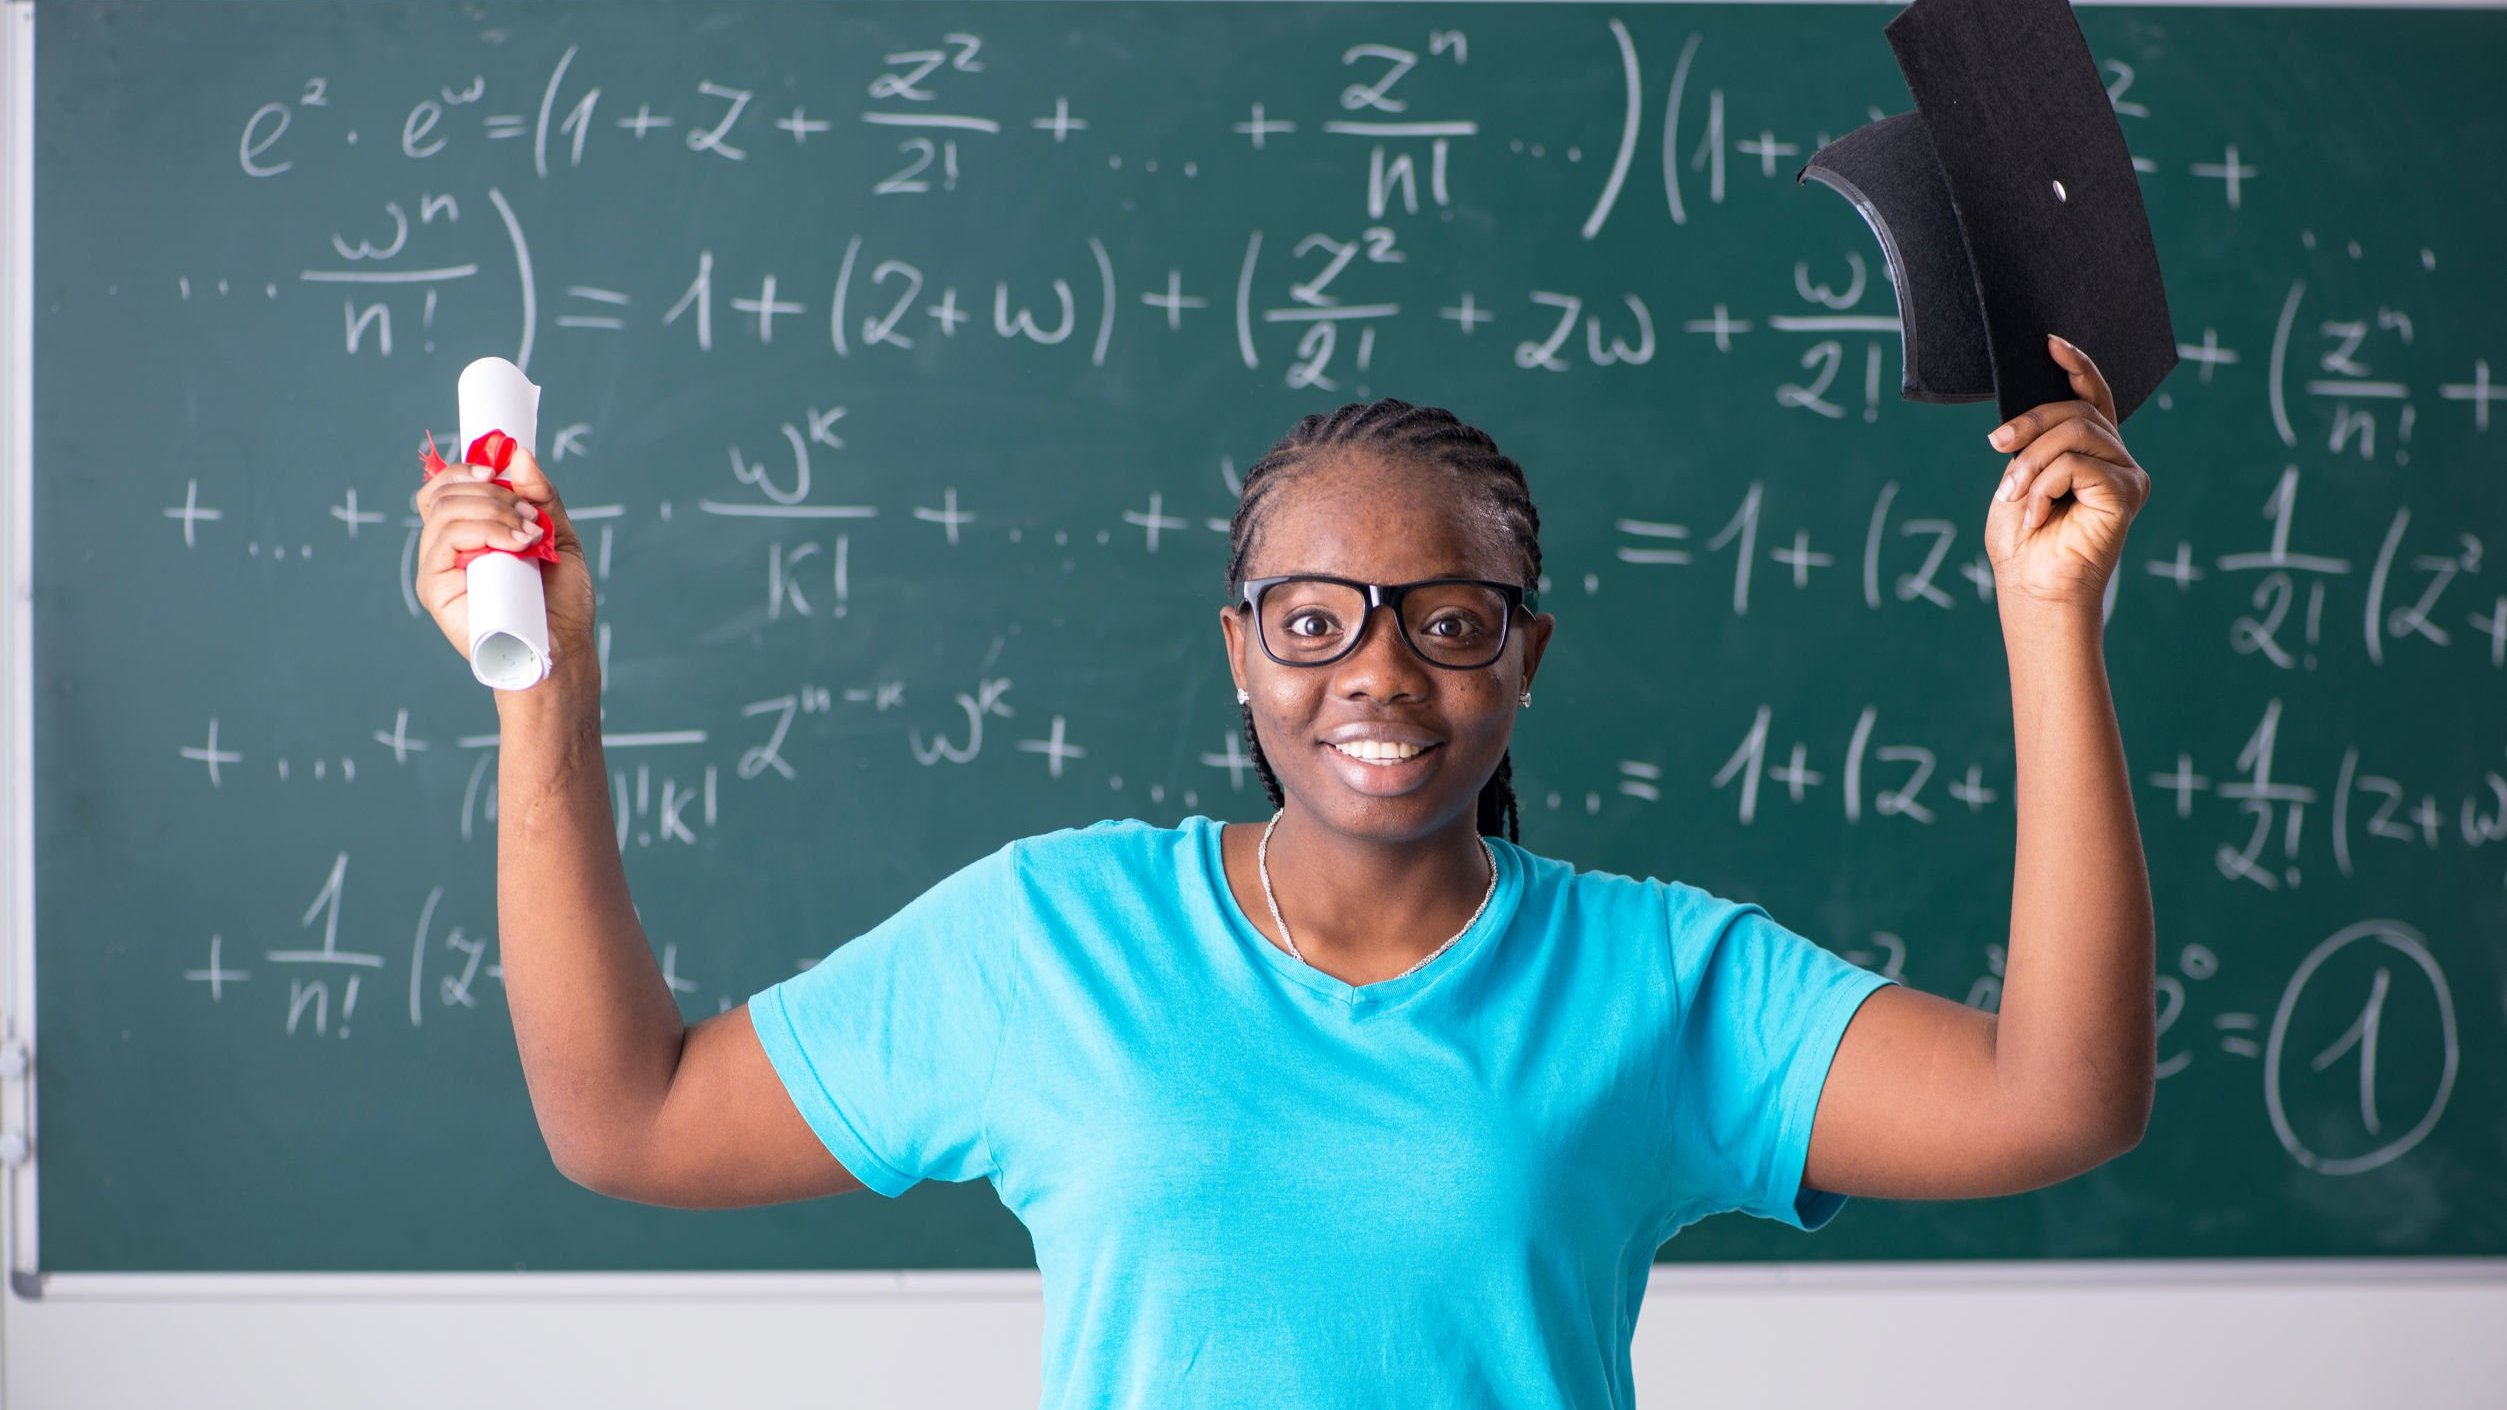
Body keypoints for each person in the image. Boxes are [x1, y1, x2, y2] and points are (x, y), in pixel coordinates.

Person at [411, 332, 2155, 1407]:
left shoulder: (1659, 983)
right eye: (1314, 622)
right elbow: (625, 1118)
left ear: (1526, 661)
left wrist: (2049, 617)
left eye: (1447, 622)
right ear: (1240, 654)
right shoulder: (1055, 937)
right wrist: (544, 687)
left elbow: (2056, 1098)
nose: (1379, 675)